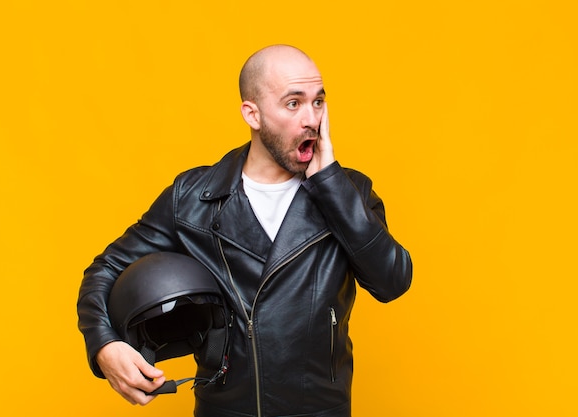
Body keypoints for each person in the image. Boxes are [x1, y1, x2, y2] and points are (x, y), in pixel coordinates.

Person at [77, 44, 412, 417]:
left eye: (318, 102)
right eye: (293, 103)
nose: (312, 119)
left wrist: (331, 186)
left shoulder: (350, 192)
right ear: (252, 114)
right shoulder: (192, 198)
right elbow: (104, 270)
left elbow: (392, 281)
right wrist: (104, 345)